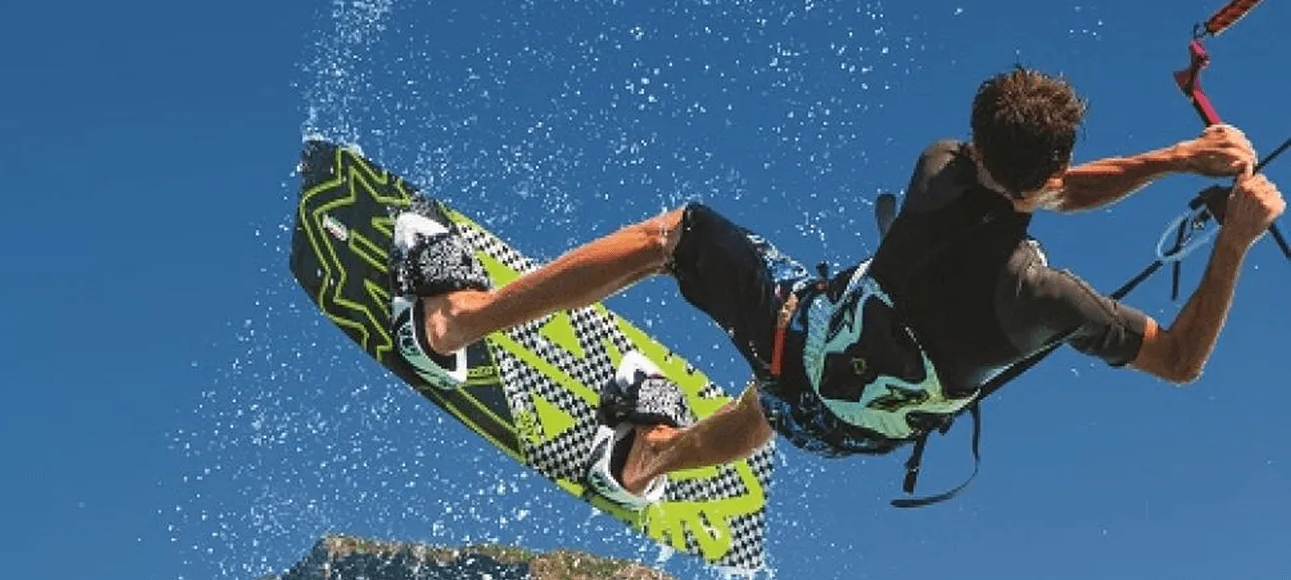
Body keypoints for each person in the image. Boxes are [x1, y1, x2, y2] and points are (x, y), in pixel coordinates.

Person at [387, 66, 1286, 509]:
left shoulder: (939, 171)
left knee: (679, 237)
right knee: (795, 391)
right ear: (1050, 171)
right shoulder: (1050, 303)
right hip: (843, 432)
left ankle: (453, 323)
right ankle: (642, 461)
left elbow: (1052, 188)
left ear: (976, 144)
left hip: (803, 345)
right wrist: (1234, 240)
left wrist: (1175, 159)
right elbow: (1180, 361)